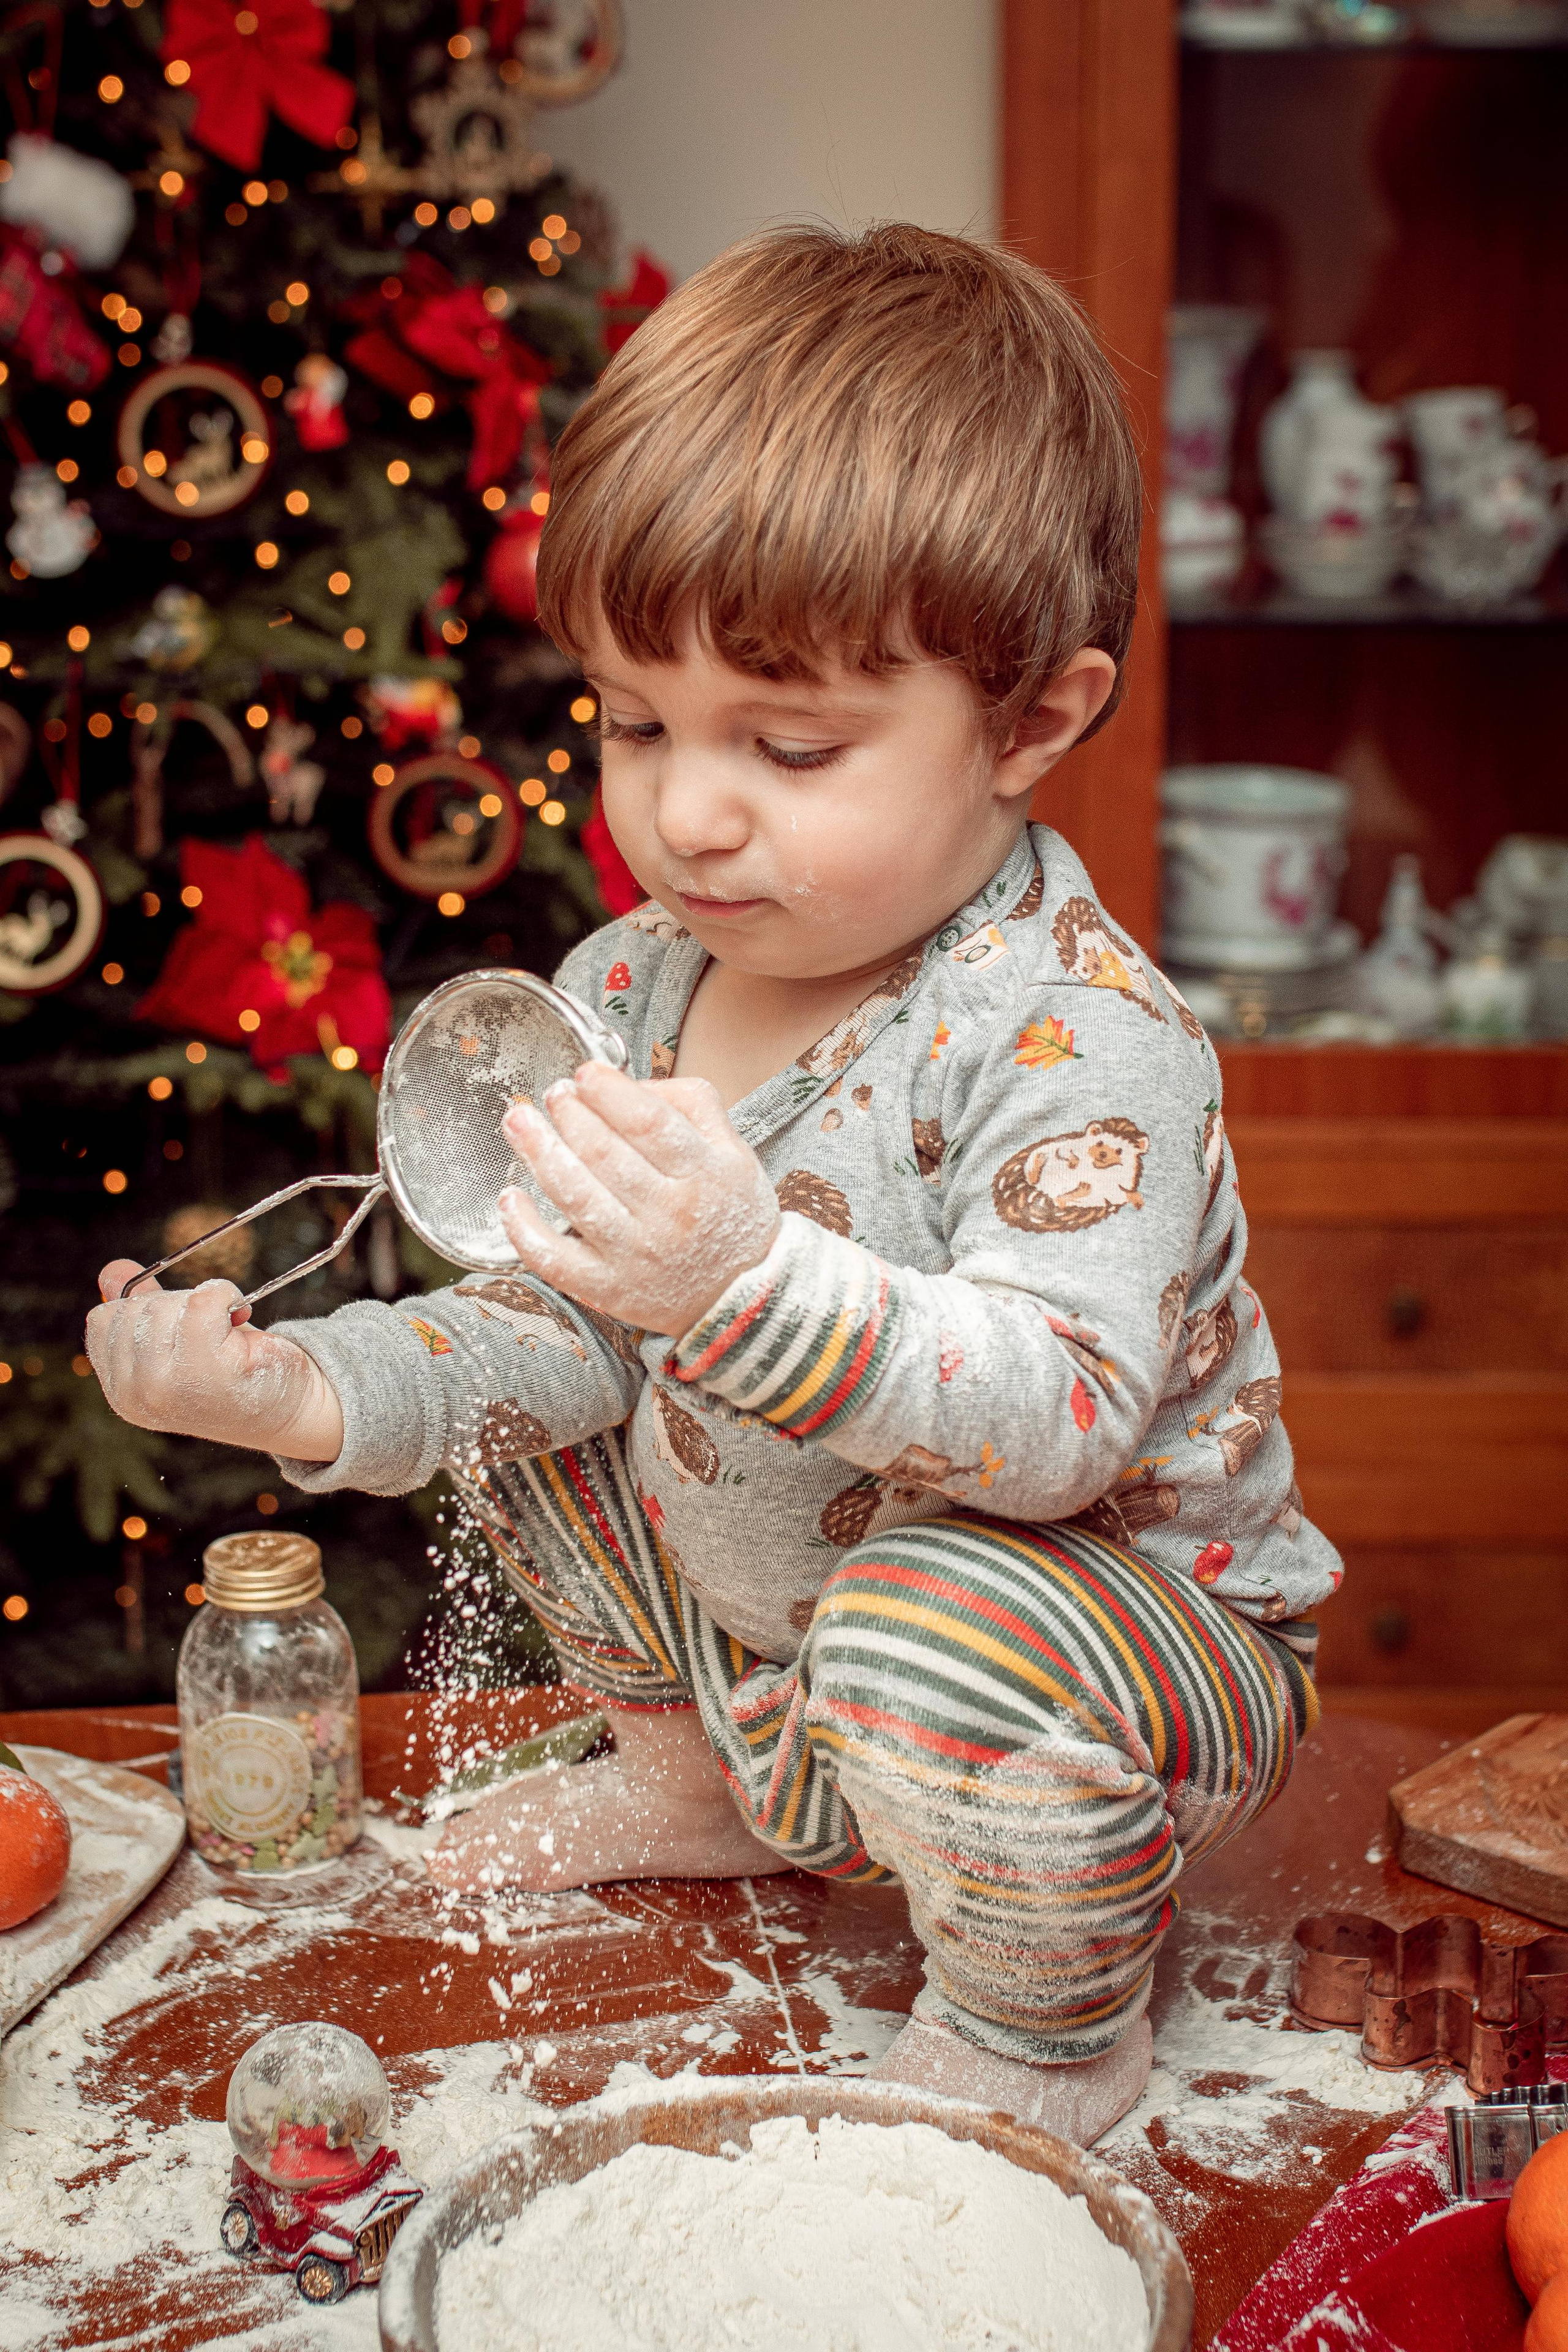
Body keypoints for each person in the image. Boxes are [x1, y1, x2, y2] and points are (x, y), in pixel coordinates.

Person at [87, 224, 1340, 2147]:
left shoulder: (1080, 1039)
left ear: (1032, 720)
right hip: (788, 1645)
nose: (684, 812)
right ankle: (698, 1779)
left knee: (920, 1604)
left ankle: (1045, 2018)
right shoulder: (627, 993)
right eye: (637, 722)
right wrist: (300, 1388)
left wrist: (740, 1286)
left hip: (1109, 1659)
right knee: (553, 1379)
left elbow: (1061, 1422)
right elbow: (545, 1340)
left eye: (793, 745)